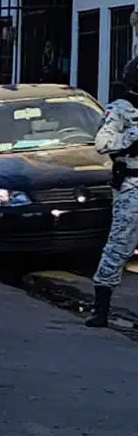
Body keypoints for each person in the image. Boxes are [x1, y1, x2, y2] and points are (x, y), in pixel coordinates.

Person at [88, 57, 138, 327]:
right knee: (119, 247)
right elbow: (102, 143)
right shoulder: (120, 109)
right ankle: (101, 308)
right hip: (132, 186)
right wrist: (132, 138)